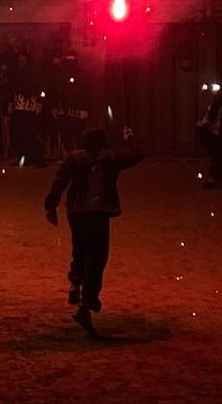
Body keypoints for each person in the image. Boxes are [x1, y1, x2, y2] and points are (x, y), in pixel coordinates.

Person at [44, 126, 141, 334]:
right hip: (97, 212)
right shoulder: (109, 160)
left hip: (77, 211)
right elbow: (137, 156)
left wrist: (51, 205)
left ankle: (76, 284)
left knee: (80, 248)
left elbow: (59, 182)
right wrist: (130, 138)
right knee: (96, 256)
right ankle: (86, 301)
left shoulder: (74, 158)